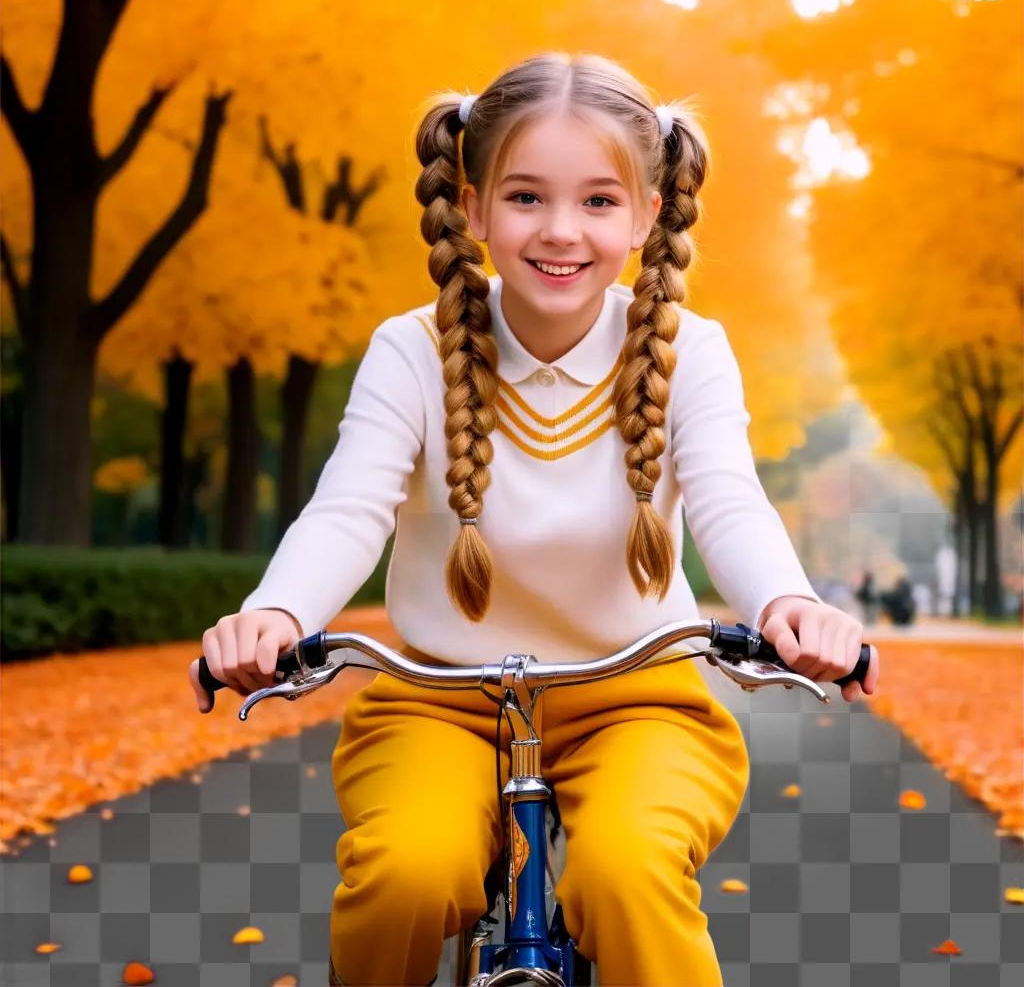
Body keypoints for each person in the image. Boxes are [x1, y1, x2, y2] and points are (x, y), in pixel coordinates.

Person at [188, 52, 879, 987]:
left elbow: (728, 498)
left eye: (599, 201)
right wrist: (276, 613)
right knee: (404, 873)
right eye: (525, 197)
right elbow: (349, 508)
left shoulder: (690, 353)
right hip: (439, 700)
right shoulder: (410, 350)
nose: (561, 231)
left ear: (647, 215)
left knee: (629, 876)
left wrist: (789, 604)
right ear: (471, 209)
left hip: (641, 700)